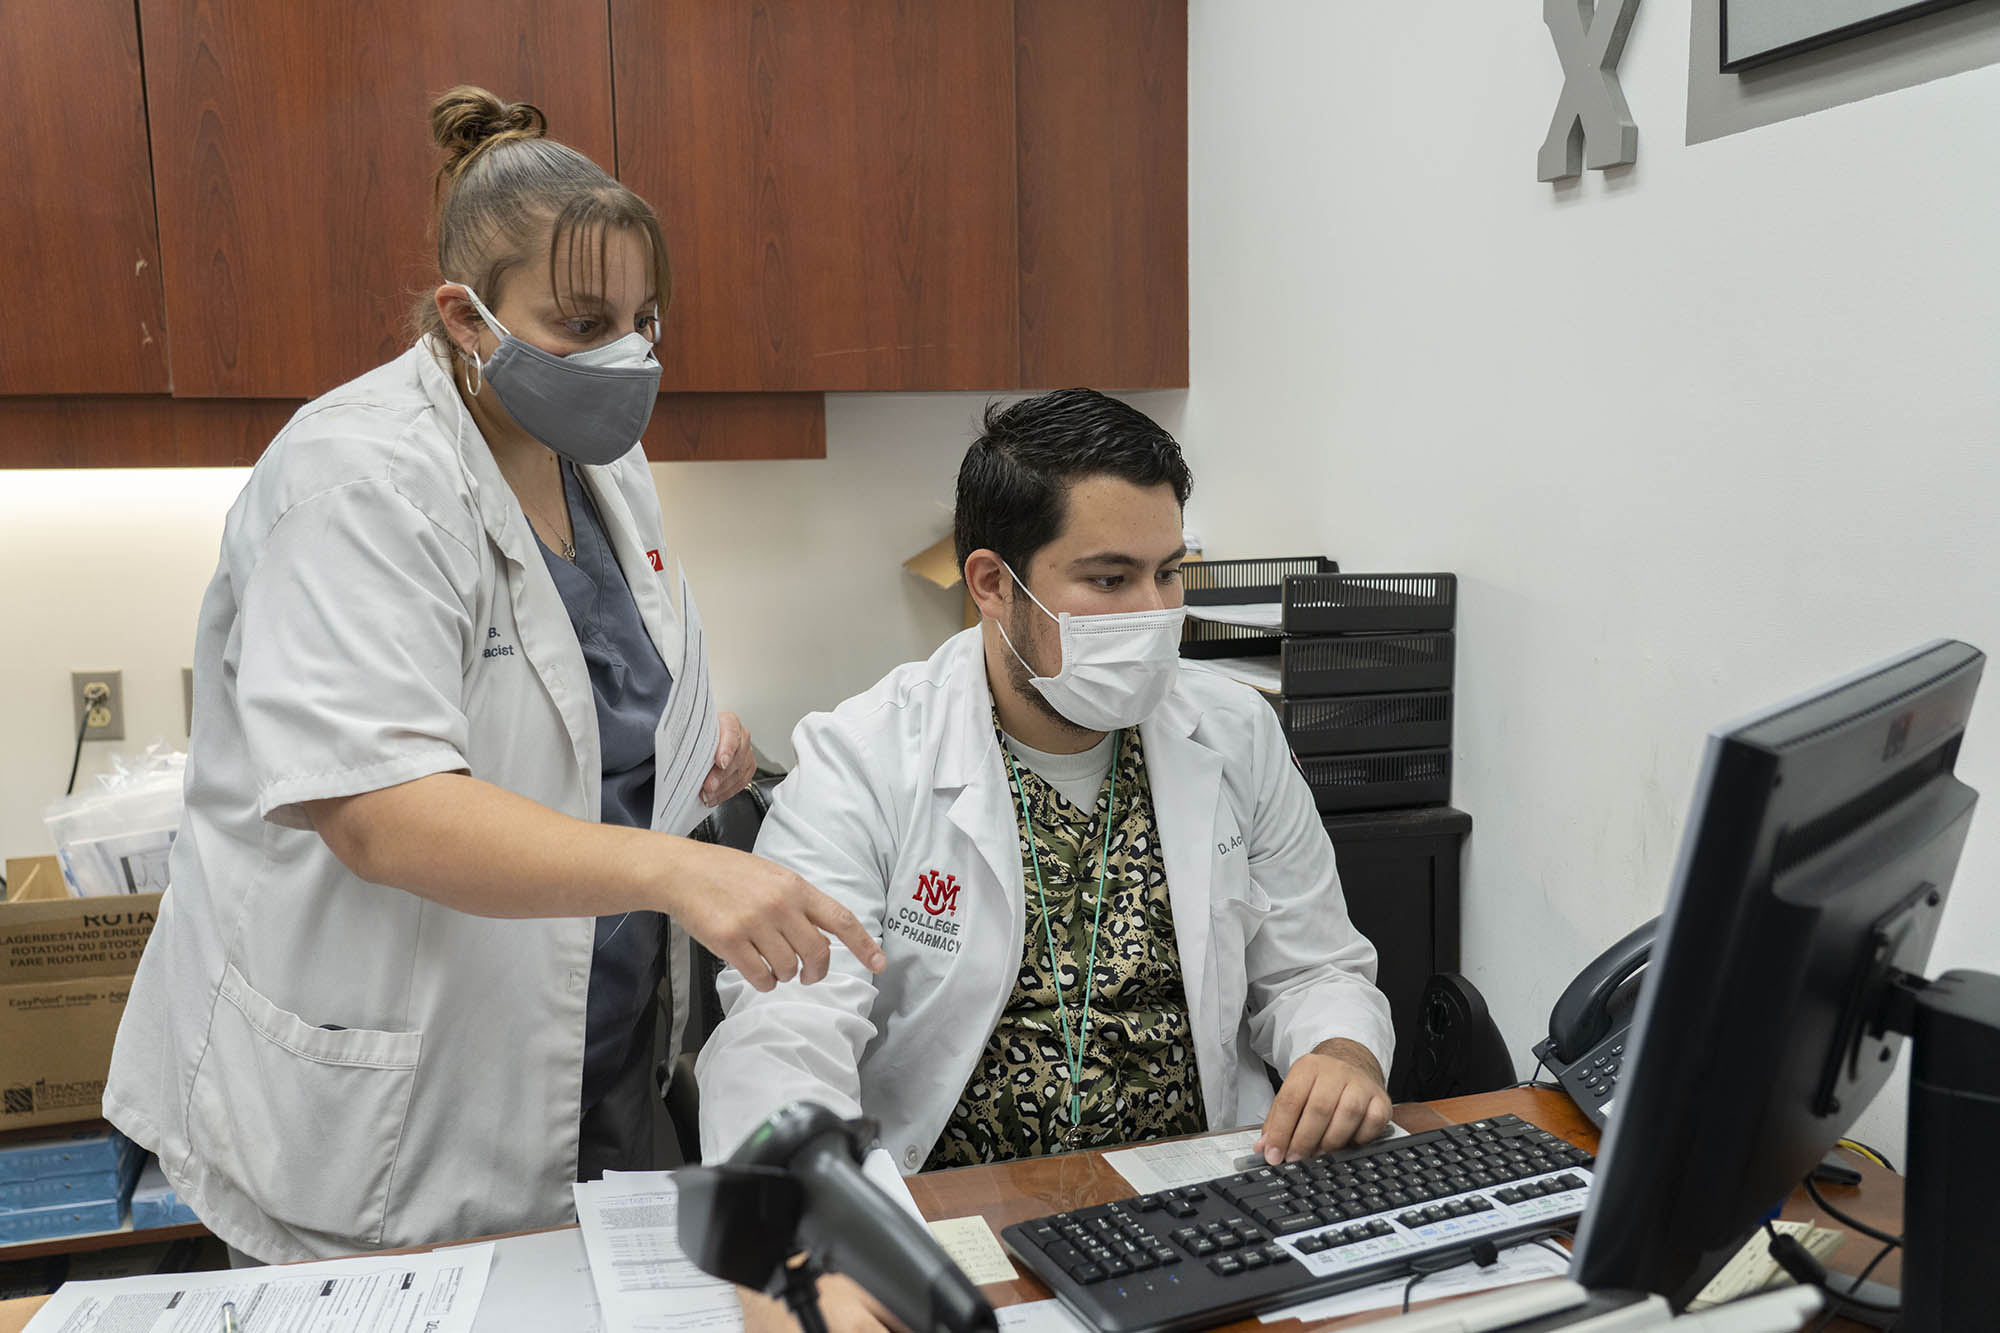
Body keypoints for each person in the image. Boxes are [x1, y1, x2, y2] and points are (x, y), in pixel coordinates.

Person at [103, 87, 882, 1265]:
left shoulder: (592, 461)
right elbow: (379, 808)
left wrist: (678, 736)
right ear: (467, 318)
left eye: (641, 320)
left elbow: (587, 682)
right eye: (581, 323)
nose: (625, 356)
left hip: (595, 1064)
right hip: (393, 1115)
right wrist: (675, 869)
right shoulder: (356, 481)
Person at [698, 389, 1394, 1331]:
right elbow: (783, 1031)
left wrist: (1341, 1048)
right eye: (1108, 581)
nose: (1154, 617)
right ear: (991, 582)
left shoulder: (1234, 732)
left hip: (1207, 1213)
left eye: (1169, 574)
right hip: (962, 1224)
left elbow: (1316, 963)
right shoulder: (865, 756)